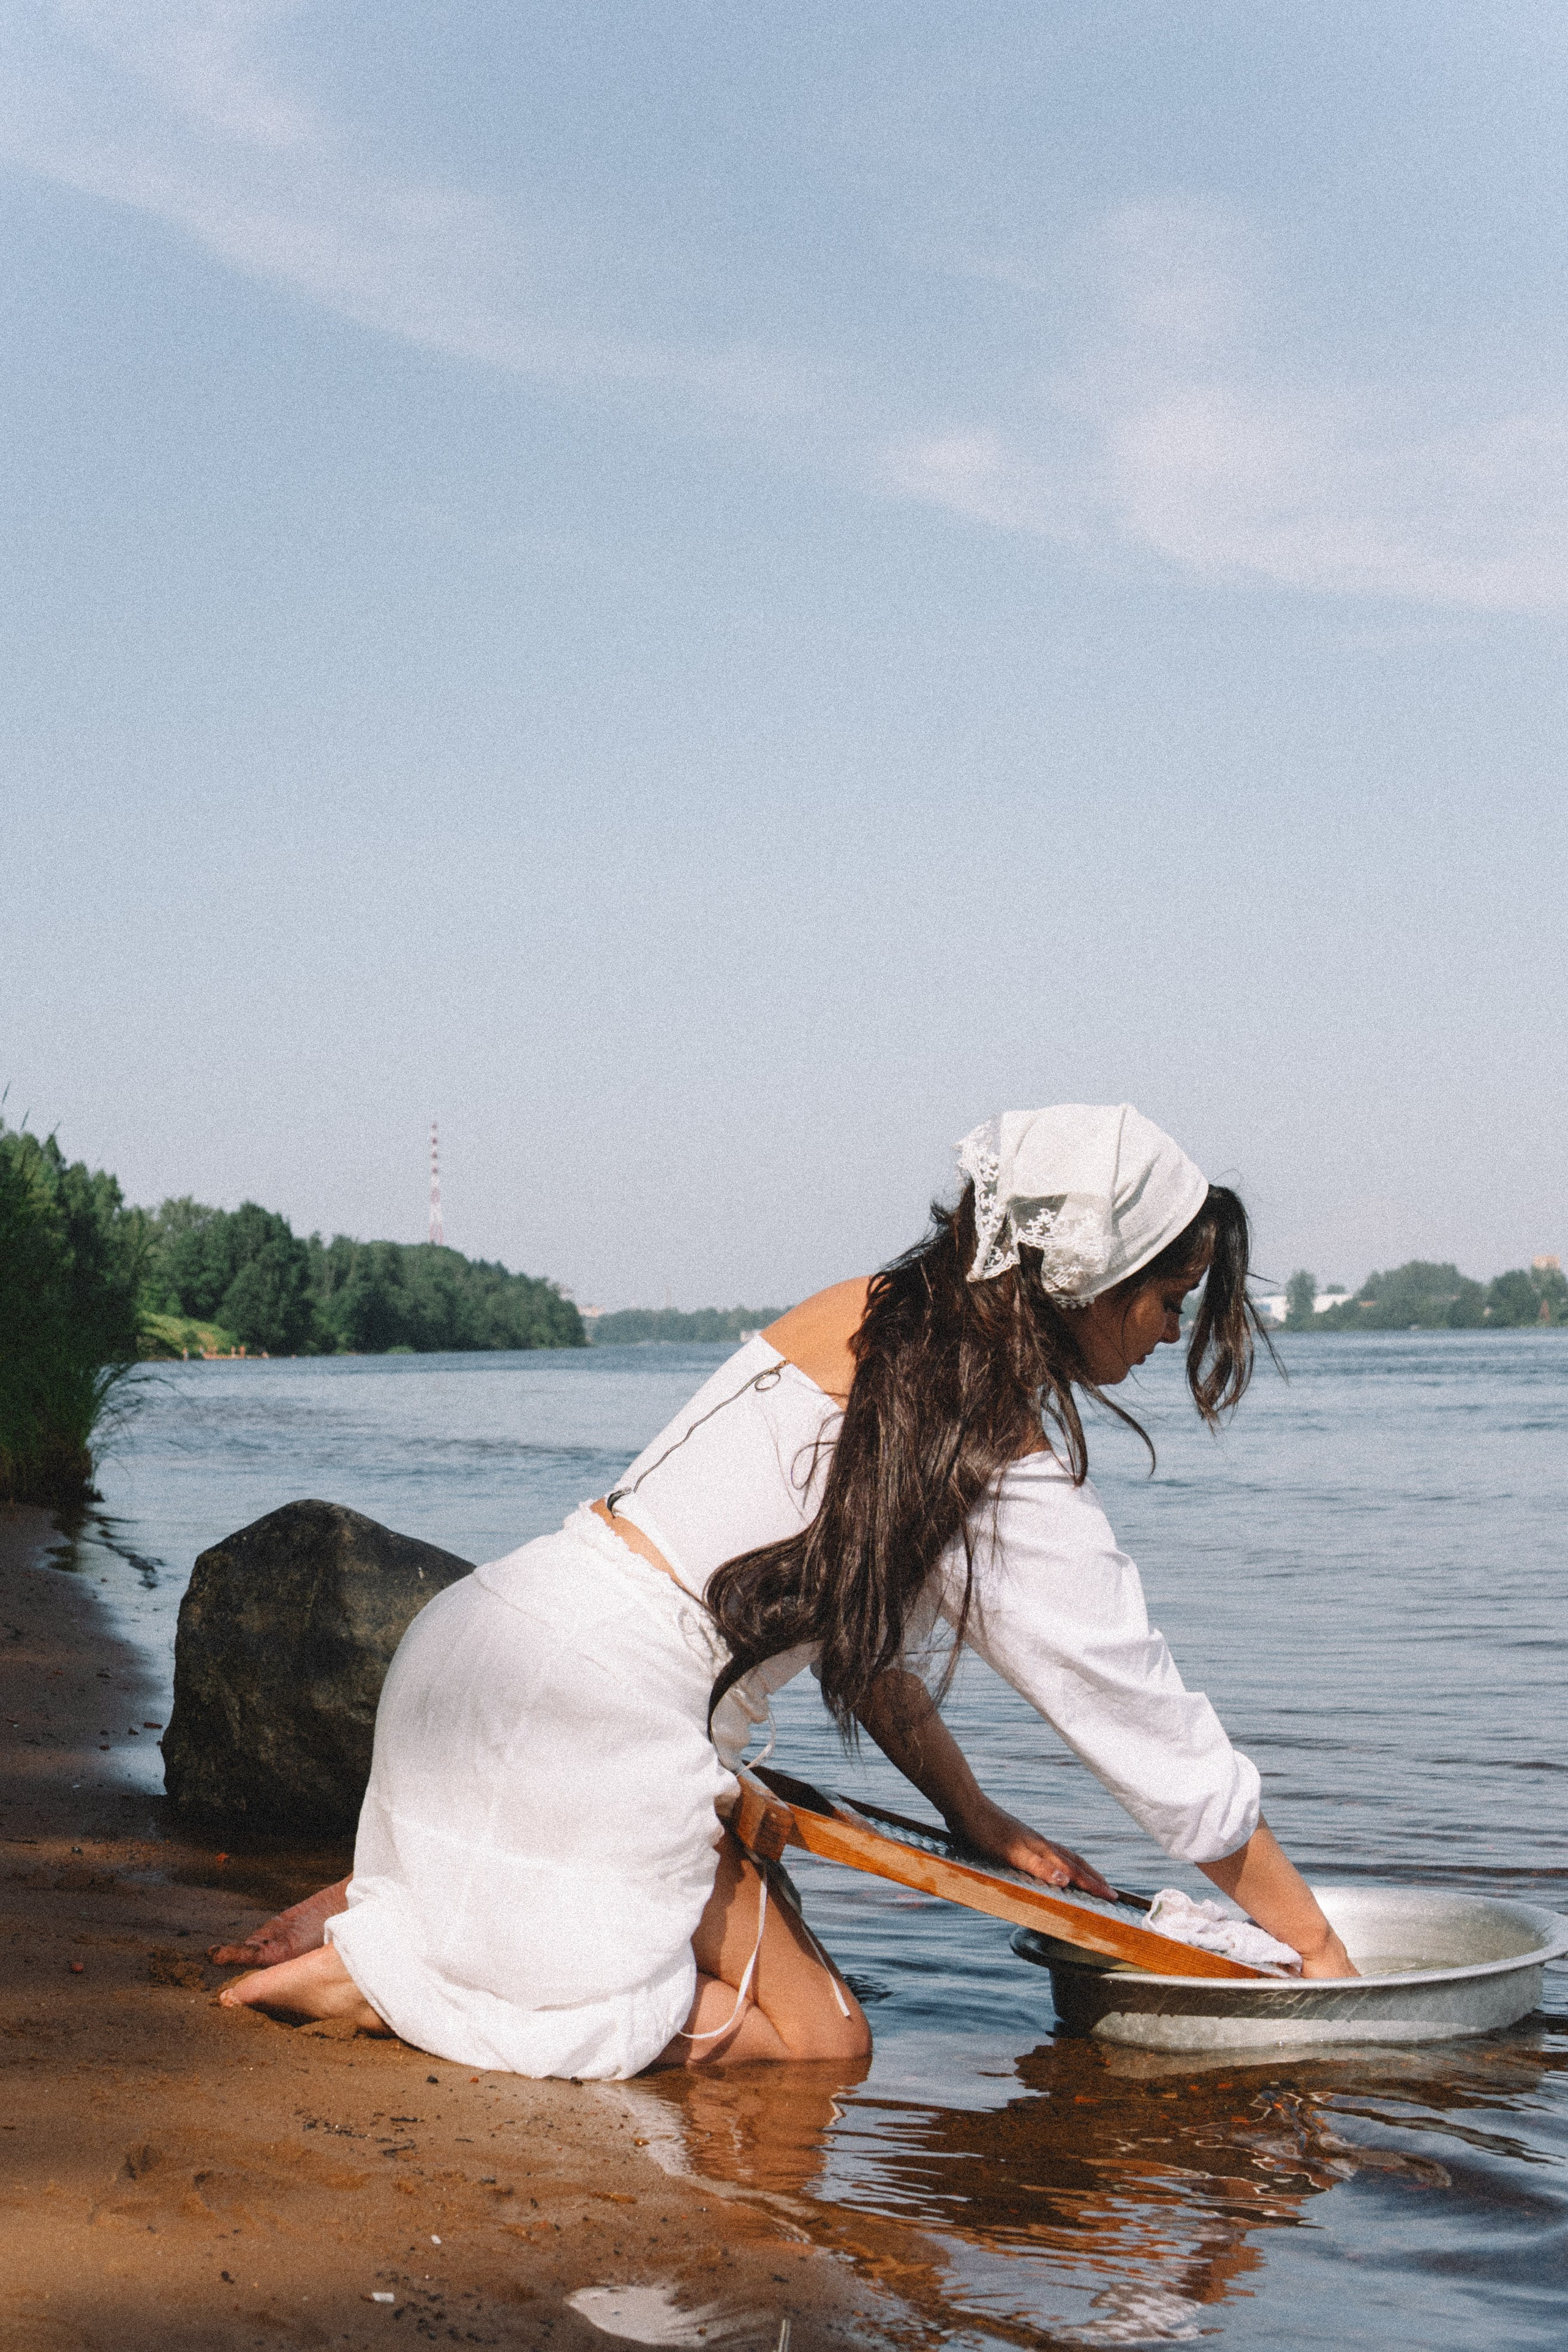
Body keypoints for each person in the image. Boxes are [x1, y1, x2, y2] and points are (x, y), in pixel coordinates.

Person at [217, 1103, 1355, 2071]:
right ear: (1092, 1281)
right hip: (588, 1722)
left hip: (470, 1653)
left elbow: (863, 1649)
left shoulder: (861, 1312)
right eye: (1170, 1297)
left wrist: (979, 1819)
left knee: (747, 1905)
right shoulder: (992, 1451)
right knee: (824, 2048)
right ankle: (397, 1989)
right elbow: (1154, 1738)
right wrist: (1322, 1964)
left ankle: (431, 1924)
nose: (1172, 1332)